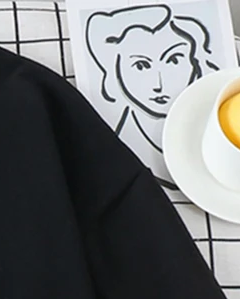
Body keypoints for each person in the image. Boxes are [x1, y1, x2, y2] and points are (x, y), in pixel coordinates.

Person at [86, 4, 218, 182]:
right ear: (115, 69)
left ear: (195, 63)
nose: (158, 84)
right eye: (141, 66)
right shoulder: (112, 156)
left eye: (173, 60)